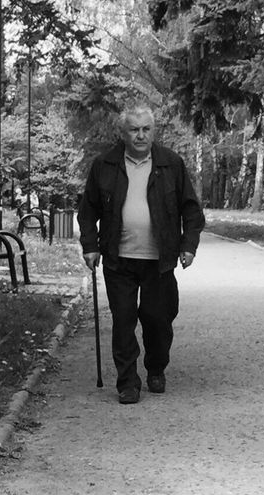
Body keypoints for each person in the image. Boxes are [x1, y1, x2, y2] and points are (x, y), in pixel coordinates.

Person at [78, 103, 205, 405]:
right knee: (123, 320)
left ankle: (156, 368)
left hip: (158, 260)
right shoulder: (105, 165)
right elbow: (87, 212)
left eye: (146, 129)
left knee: (158, 319)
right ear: (122, 133)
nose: (140, 135)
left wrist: (188, 246)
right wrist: (91, 246)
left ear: (153, 131)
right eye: (134, 129)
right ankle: (127, 383)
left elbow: (192, 211)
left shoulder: (171, 164)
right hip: (118, 257)